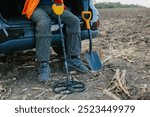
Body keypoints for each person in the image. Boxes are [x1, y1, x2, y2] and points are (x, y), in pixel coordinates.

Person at [22, 0, 89, 82]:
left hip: (54, 5)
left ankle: (73, 60)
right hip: (36, 7)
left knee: (74, 21)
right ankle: (44, 65)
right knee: (44, 23)